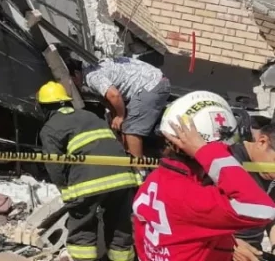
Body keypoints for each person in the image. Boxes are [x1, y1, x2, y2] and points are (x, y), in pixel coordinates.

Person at [132, 90, 275, 261]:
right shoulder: (190, 195)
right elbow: (263, 209)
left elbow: (187, 229)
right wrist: (205, 151)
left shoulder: (157, 180)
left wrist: (229, 243)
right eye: (224, 150)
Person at [37, 81, 141, 261]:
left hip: (88, 181)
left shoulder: (50, 127)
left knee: (82, 227)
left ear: (44, 108)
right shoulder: (90, 116)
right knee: (119, 227)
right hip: (124, 177)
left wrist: (65, 188)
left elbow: (53, 163)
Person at [68, 55, 170, 158]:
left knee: (131, 129)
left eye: (70, 80)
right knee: (126, 125)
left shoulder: (92, 77)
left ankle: (139, 170)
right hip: (155, 81)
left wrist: (120, 116)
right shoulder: (90, 70)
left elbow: (114, 95)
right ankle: (136, 154)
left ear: (76, 74)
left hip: (151, 85)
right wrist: (116, 117)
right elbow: (109, 100)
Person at [228, 121, 275, 261]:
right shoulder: (227, 160)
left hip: (253, 251)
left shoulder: (269, 171)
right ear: (262, 142)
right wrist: (230, 244)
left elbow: (272, 217)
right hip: (221, 248)